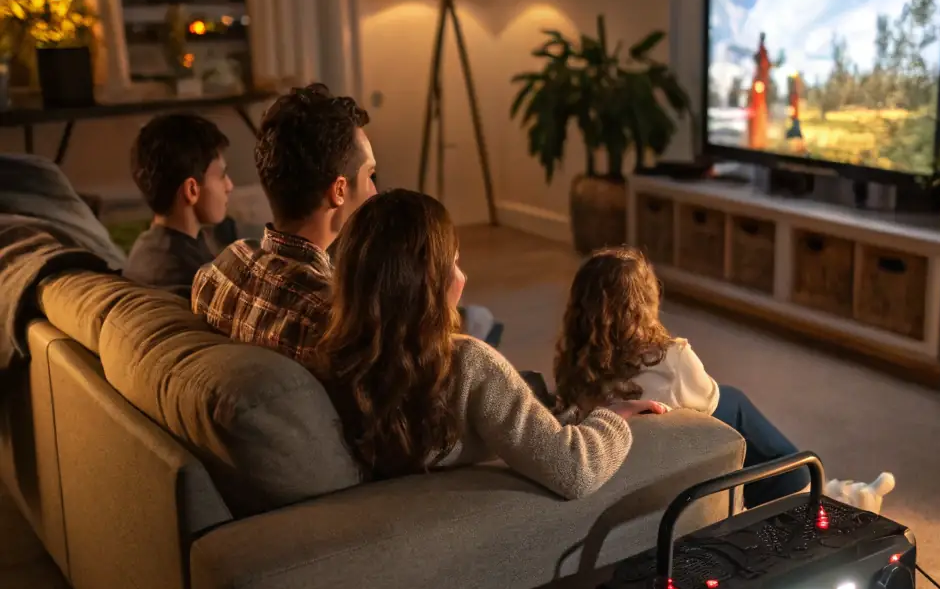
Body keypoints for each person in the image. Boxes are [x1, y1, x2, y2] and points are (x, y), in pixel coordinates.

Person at [312, 190, 666, 496]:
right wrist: (612, 416)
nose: (463, 277)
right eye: (454, 263)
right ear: (427, 284)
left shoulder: (332, 355)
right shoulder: (468, 363)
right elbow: (575, 469)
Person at [553, 246, 894, 510]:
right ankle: (814, 487)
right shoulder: (671, 359)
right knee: (733, 403)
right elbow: (709, 400)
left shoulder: (575, 369)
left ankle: (827, 490)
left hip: (633, 462)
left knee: (731, 406)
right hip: (677, 458)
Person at [192, 83, 502, 364]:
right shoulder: (338, 322)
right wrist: (439, 319)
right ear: (339, 190)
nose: (375, 192)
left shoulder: (219, 270)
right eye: (370, 175)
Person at [125, 113, 233, 296]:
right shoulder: (188, 278)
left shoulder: (146, 248)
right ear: (191, 190)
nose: (229, 186)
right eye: (222, 175)